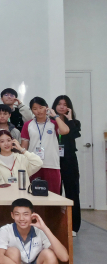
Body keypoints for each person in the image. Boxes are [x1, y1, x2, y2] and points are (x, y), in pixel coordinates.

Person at [21, 97, 69, 194]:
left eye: (41, 107)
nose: (38, 111)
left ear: (46, 107)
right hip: (33, 165)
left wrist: (55, 116)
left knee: (53, 195)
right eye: (34, 109)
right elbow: (24, 146)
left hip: (51, 164)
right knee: (33, 194)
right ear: (31, 111)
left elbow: (65, 130)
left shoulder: (54, 123)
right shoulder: (28, 125)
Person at [53, 95, 81, 235]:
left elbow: (74, 135)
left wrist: (69, 119)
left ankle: (73, 227)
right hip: (53, 160)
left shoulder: (74, 122)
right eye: (59, 104)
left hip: (69, 160)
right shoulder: (50, 122)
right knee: (54, 192)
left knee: (72, 193)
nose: (62, 107)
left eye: (65, 104)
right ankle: (54, 223)